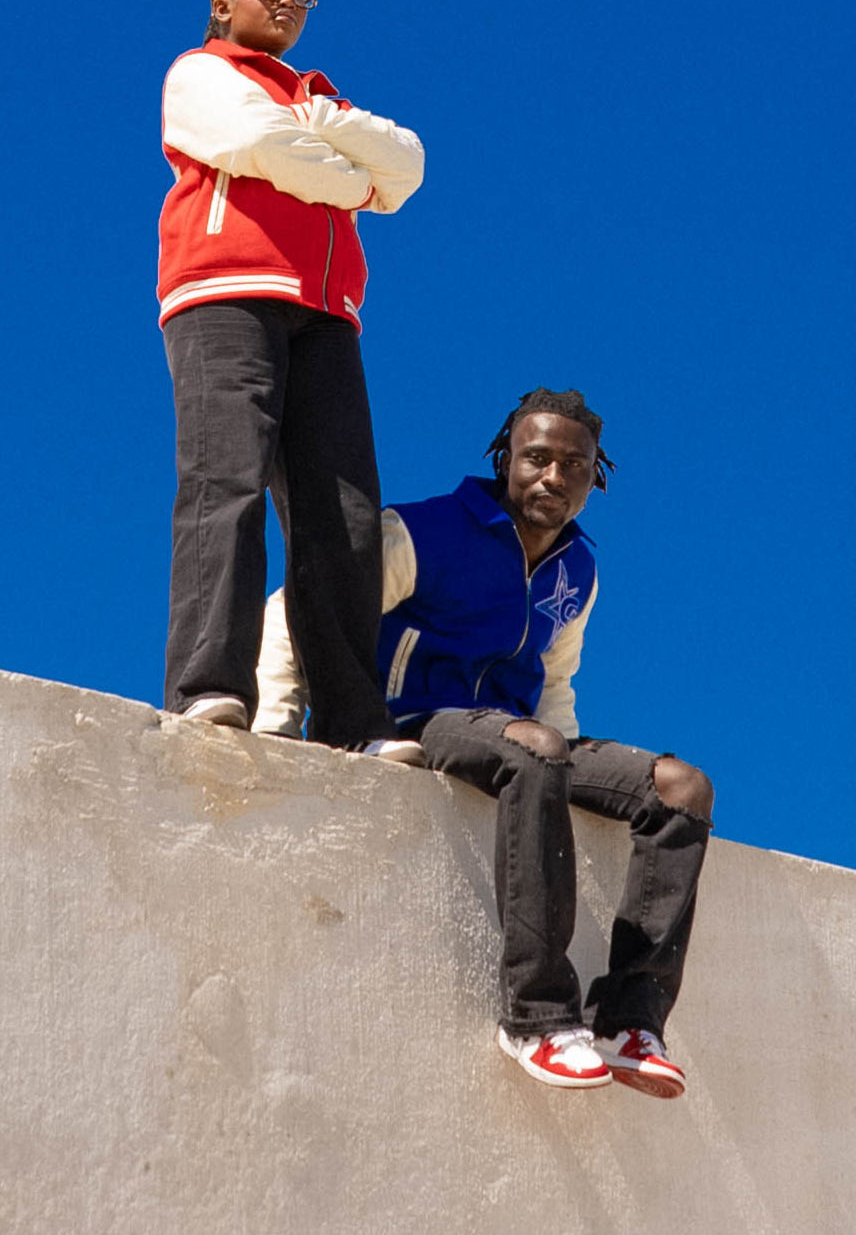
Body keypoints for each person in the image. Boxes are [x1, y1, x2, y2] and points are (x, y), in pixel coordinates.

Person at [255, 388, 713, 1097]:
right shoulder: (425, 531)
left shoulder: (577, 570)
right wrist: (278, 726)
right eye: (536, 457)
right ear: (506, 459)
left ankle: (628, 1018)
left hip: (522, 738)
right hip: (410, 722)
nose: (553, 477)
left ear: (596, 478)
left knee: (682, 788)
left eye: (575, 465)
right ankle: (535, 1017)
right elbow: (301, 606)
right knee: (535, 745)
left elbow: (554, 677)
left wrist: (566, 759)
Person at [158, 0, 424, 741]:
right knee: (226, 483)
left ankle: (350, 718)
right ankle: (209, 685)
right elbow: (257, 143)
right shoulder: (200, 74)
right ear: (220, 5)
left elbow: (406, 167)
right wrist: (352, 180)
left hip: (328, 314)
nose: (286, 2)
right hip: (226, 293)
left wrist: (333, 131)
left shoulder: (319, 98)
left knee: (343, 516)